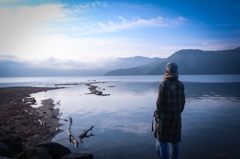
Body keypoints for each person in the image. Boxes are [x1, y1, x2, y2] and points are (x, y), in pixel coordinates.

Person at [153, 62, 185, 159]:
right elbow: (183, 103)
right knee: (175, 141)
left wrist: (158, 115)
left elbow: (159, 104)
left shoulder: (163, 84)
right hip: (176, 118)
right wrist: (177, 112)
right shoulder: (181, 84)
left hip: (164, 119)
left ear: (166, 71)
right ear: (176, 71)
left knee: (162, 142)